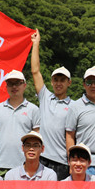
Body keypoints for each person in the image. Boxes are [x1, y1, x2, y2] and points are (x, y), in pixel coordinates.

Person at [30, 30, 72, 180]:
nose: (59, 83)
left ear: (69, 83)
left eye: (62, 80)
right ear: (52, 81)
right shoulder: (45, 97)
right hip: (41, 158)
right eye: (56, 79)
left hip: (62, 162)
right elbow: (35, 71)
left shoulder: (74, 106)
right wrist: (36, 44)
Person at [0, 70, 41, 175]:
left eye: (17, 83)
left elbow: (37, 137)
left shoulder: (33, 109)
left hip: (24, 165)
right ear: (6, 86)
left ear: (24, 85)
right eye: (11, 84)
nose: (14, 87)